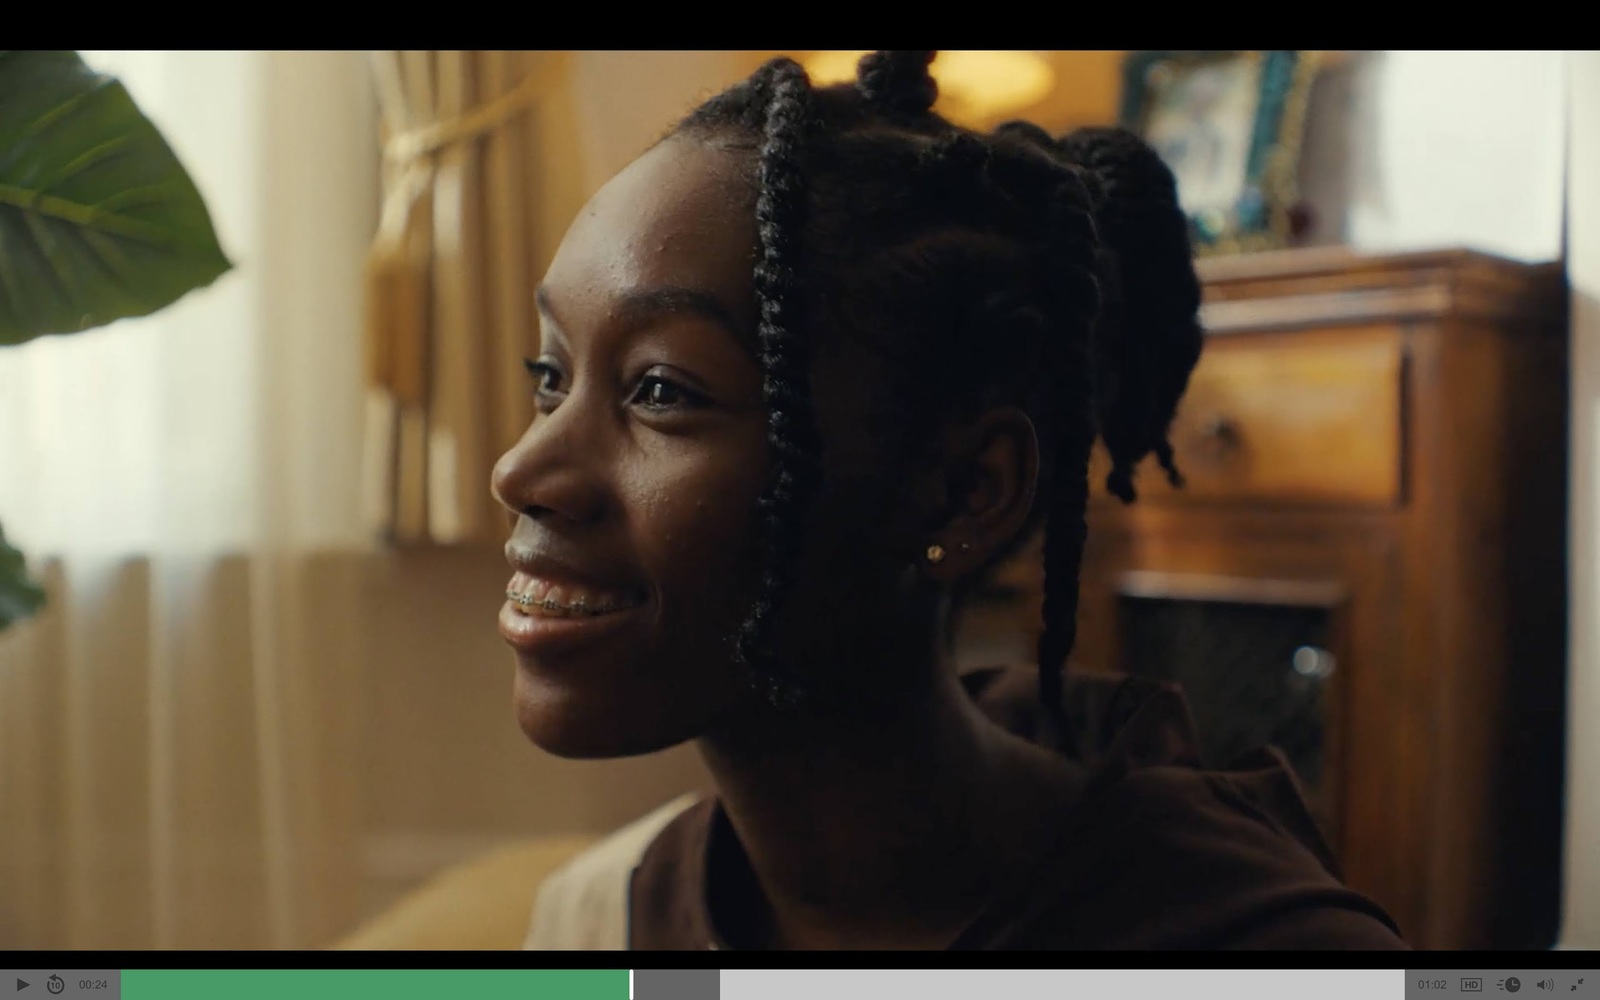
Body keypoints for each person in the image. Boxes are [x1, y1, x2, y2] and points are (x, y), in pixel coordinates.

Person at [491, 50, 1407, 951]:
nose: (522, 472)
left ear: (969, 492)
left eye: (662, 390)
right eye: (550, 374)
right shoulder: (597, 920)